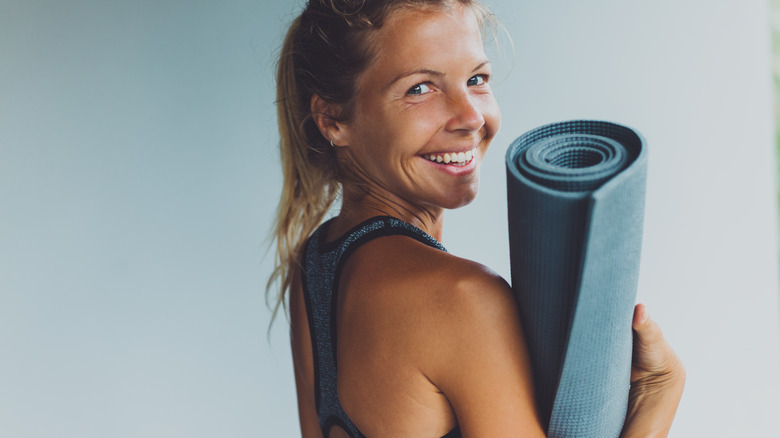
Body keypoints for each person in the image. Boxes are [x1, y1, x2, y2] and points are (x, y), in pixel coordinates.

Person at [267, 0, 686, 436]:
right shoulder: (464, 300)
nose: (470, 117)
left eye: (476, 79)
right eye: (420, 88)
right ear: (332, 118)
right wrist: (660, 396)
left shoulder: (313, 265)